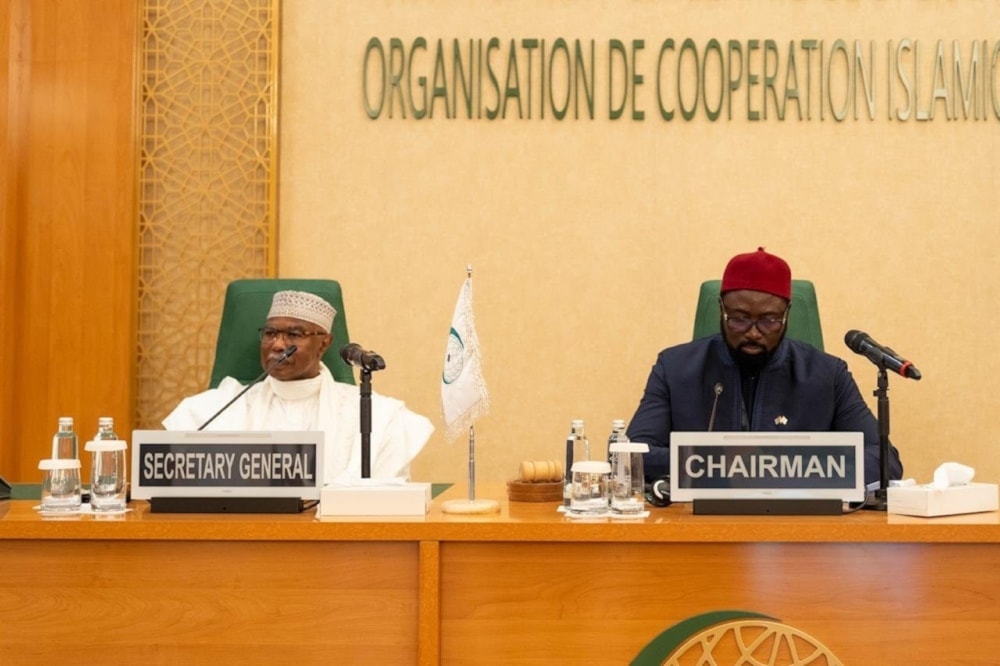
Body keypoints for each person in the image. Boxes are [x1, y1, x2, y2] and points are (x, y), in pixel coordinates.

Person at [626, 247, 902, 487]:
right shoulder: (675, 368)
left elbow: (884, 461)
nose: (754, 333)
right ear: (721, 309)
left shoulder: (827, 375)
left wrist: (772, 464)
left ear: (787, 314)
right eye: (739, 319)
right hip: (700, 527)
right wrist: (721, 463)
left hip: (796, 531)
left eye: (769, 320)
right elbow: (632, 455)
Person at [163, 290, 434, 482]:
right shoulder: (222, 407)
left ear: (324, 343)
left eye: (294, 334)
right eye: (270, 333)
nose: (278, 344)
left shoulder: (375, 413)